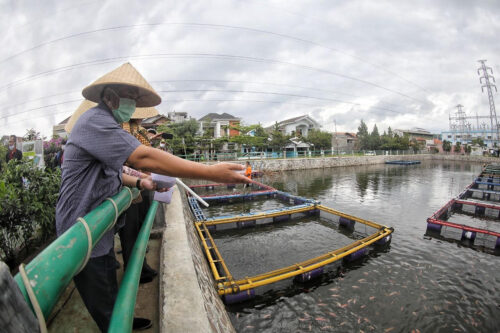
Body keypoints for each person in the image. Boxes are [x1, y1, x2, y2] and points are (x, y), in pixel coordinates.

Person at [56, 63, 249, 332]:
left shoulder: (109, 125)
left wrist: (141, 182)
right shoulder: (94, 121)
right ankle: (116, 324)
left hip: (97, 224)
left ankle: (123, 318)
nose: (133, 104)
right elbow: (143, 157)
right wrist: (210, 172)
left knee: (109, 277)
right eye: (129, 96)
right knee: (100, 288)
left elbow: (115, 172)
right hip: (81, 227)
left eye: (136, 99)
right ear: (110, 96)